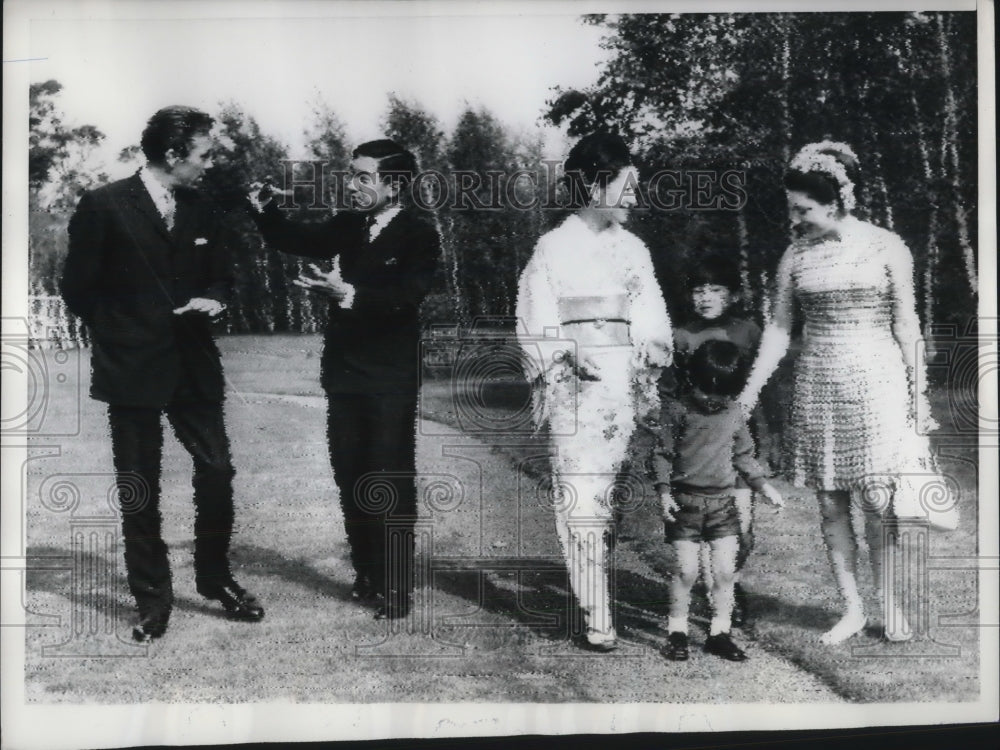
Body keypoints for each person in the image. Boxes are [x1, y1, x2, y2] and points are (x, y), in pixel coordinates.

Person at [62, 105, 263, 643]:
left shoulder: (203, 207)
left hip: (193, 363)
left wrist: (214, 301)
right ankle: (153, 600)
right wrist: (128, 329)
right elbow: (77, 289)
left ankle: (215, 578)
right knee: (140, 487)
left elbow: (224, 276)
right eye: (204, 153)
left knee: (217, 470)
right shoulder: (103, 205)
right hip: (131, 365)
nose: (210, 163)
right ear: (173, 154)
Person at [738, 141, 939, 644]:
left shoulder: (885, 245)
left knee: (877, 499)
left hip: (876, 380)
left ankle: (890, 606)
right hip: (818, 382)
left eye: (803, 209)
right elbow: (780, 330)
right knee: (830, 503)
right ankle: (851, 608)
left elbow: (907, 324)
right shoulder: (794, 255)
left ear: (835, 202)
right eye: (791, 209)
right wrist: (749, 391)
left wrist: (921, 396)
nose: (796, 219)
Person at [246, 139, 441, 620]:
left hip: (391, 375)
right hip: (345, 374)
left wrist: (348, 293)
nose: (352, 186)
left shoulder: (421, 233)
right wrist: (266, 212)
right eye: (350, 176)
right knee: (351, 473)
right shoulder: (350, 224)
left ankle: (396, 586)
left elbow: (409, 295)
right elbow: (300, 240)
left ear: (394, 185)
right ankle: (367, 573)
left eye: (363, 177)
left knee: (389, 476)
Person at [515, 132, 673, 651]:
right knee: (581, 496)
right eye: (625, 185)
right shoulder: (552, 248)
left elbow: (651, 316)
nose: (633, 196)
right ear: (593, 184)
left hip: (623, 383)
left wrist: (649, 356)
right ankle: (596, 613)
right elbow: (533, 318)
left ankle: (600, 589)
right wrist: (563, 350)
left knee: (612, 498)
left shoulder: (635, 250)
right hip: (575, 387)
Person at [655, 340, 784, 662]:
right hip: (685, 504)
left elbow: (743, 455)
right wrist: (663, 491)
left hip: (723, 507)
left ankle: (719, 632)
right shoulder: (678, 410)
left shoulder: (734, 413)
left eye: (722, 394)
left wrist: (762, 486)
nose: (713, 401)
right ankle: (677, 632)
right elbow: (662, 454)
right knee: (686, 572)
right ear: (693, 381)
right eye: (706, 392)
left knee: (725, 572)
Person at [667, 253, 767, 627]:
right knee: (704, 527)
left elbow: (763, 391)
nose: (705, 297)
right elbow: (672, 394)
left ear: (732, 295)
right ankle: (717, 601)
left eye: (715, 289)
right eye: (698, 290)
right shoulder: (681, 336)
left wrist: (767, 439)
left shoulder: (749, 332)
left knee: (739, 527)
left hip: (739, 445)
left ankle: (727, 582)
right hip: (699, 454)